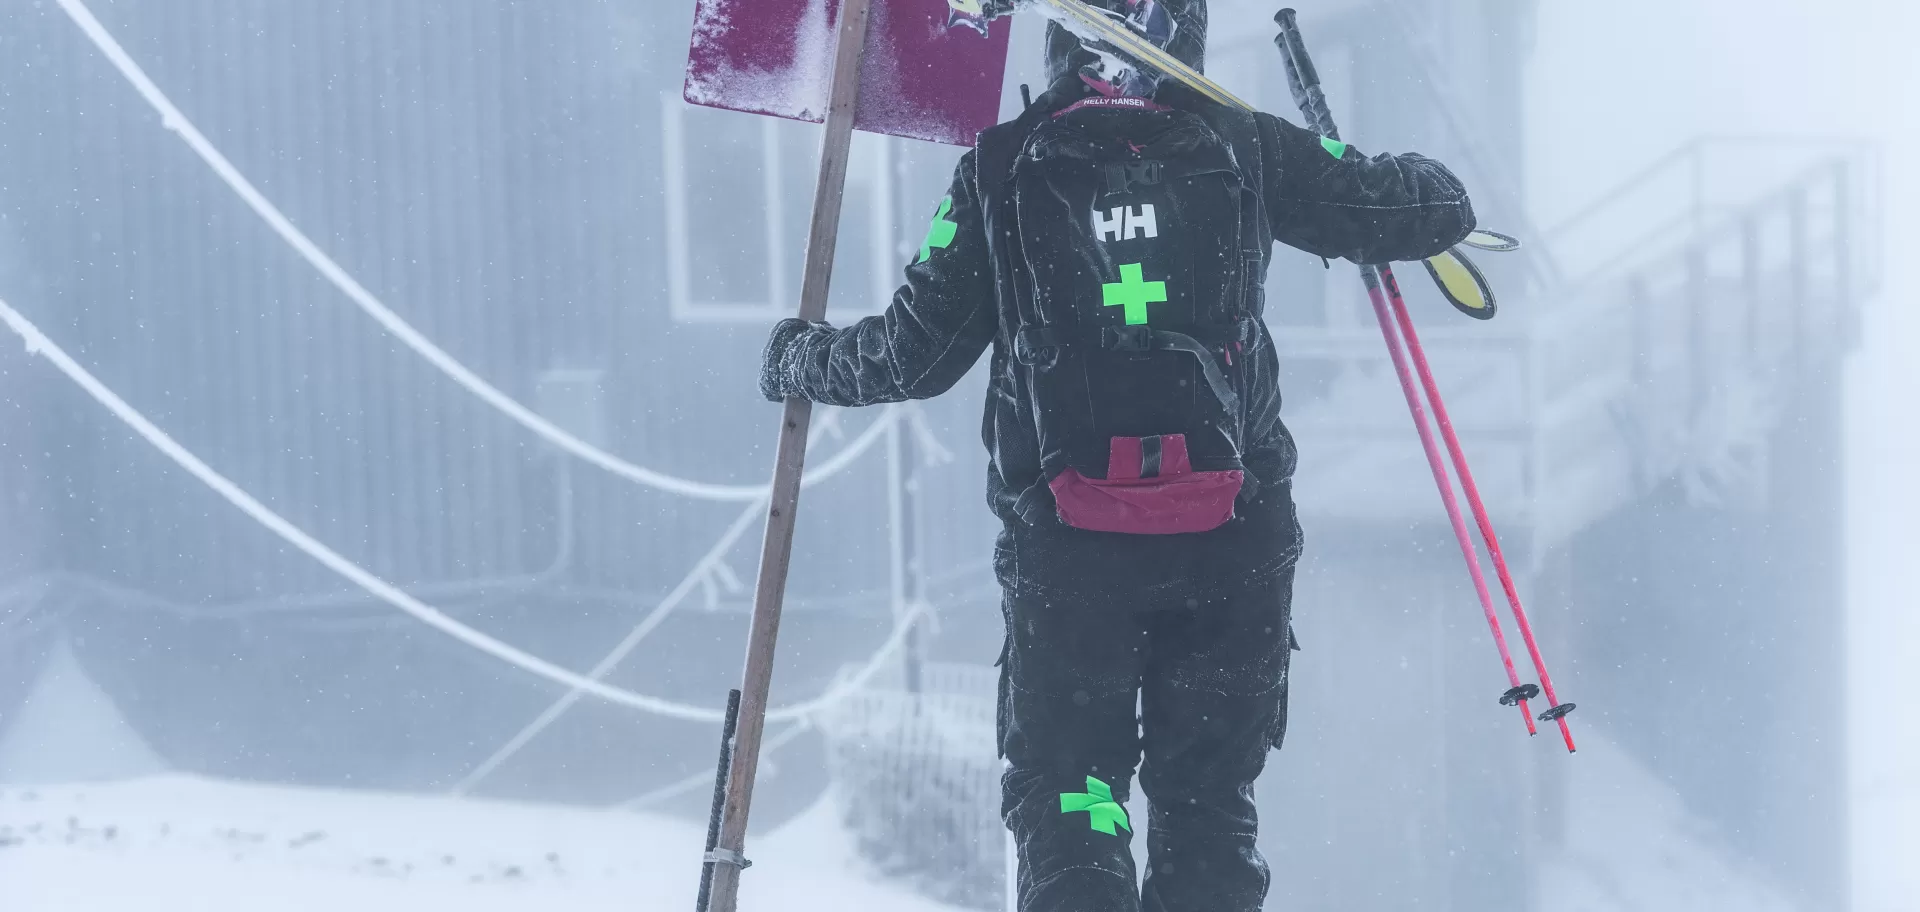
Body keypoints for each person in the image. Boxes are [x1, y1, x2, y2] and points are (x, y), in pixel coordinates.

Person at [759, 2, 1475, 908]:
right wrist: (1382, 168)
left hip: (1070, 557)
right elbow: (1433, 208)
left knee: (1074, 800)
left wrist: (800, 358)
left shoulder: (1002, 166)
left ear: (1063, 31)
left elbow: (913, 356)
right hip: (1233, 548)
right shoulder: (1248, 145)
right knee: (1206, 808)